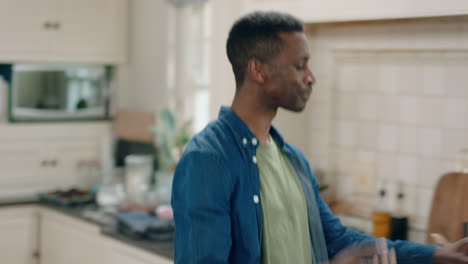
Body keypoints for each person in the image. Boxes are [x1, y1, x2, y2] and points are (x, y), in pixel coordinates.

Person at [172, 11, 468, 264]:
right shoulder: (208, 160)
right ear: (258, 70)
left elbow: (337, 240)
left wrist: (437, 254)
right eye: (300, 65)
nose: (311, 76)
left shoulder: (292, 159)